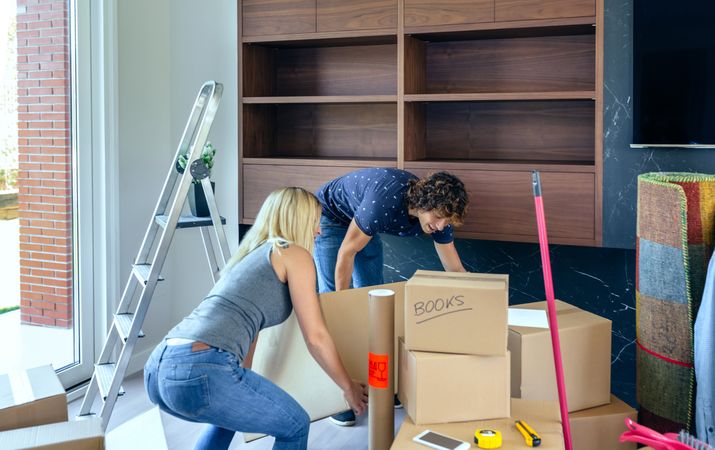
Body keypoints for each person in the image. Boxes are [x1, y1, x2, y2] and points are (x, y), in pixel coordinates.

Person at [144, 187, 368, 450]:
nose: (319, 231)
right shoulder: (292, 253)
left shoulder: (250, 256)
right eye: (314, 221)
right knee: (295, 424)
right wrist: (348, 387)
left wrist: (244, 383)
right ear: (297, 219)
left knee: (225, 420)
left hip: (160, 370)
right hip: (199, 368)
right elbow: (316, 337)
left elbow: (250, 335)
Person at [314, 168, 469, 426]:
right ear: (424, 204)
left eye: (447, 221)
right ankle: (338, 393)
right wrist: (343, 307)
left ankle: (377, 382)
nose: (440, 226)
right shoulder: (383, 202)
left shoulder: (438, 219)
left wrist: (479, 304)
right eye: (439, 218)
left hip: (363, 221)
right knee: (334, 302)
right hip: (331, 218)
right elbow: (346, 253)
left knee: (376, 303)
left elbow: (455, 269)